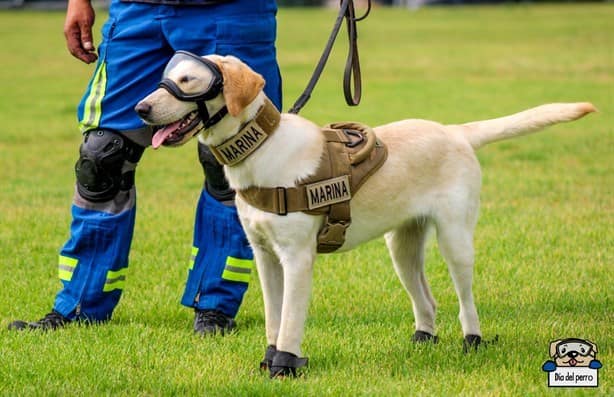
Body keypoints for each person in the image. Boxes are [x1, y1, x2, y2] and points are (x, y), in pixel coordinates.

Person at [8, 0, 282, 335]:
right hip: (139, 11)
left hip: (230, 11)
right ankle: (80, 305)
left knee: (229, 160)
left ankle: (215, 306)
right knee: (101, 156)